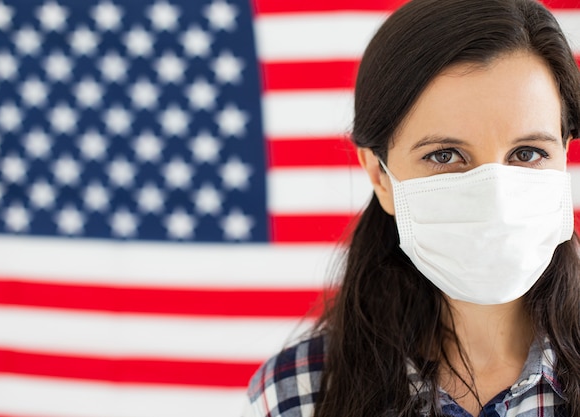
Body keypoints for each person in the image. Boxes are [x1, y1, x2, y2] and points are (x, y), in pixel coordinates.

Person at [242, 0, 580, 416]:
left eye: (527, 153)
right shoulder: (301, 390)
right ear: (379, 175)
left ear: (564, 153)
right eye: (444, 155)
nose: (496, 197)